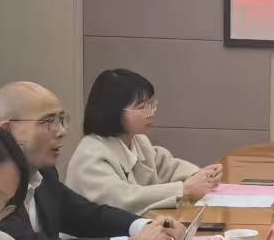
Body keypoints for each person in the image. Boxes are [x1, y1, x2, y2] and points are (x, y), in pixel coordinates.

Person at [0, 80, 184, 240]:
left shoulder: (43, 172)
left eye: (61, 120)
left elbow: (86, 215)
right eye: (48, 122)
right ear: (7, 130)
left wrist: (146, 227)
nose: (61, 131)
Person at [66, 69, 223, 212]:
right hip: (96, 234)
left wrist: (201, 175)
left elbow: (167, 167)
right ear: (113, 111)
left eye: (151, 105)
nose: (151, 113)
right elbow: (123, 199)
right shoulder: (90, 154)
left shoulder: (138, 141)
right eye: (142, 107)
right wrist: (184, 189)